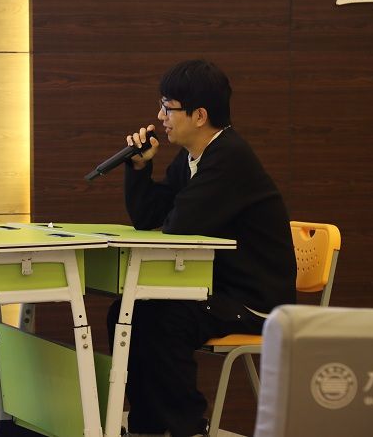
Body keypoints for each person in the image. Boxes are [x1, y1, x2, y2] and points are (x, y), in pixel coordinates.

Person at [107, 60, 297, 437]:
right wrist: (140, 168)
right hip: (219, 290)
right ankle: (149, 425)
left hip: (255, 300)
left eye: (168, 107)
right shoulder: (194, 156)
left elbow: (179, 226)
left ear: (199, 116)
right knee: (127, 311)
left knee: (164, 319)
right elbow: (150, 217)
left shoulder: (229, 158)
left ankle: (186, 427)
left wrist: (171, 211)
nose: (160, 117)